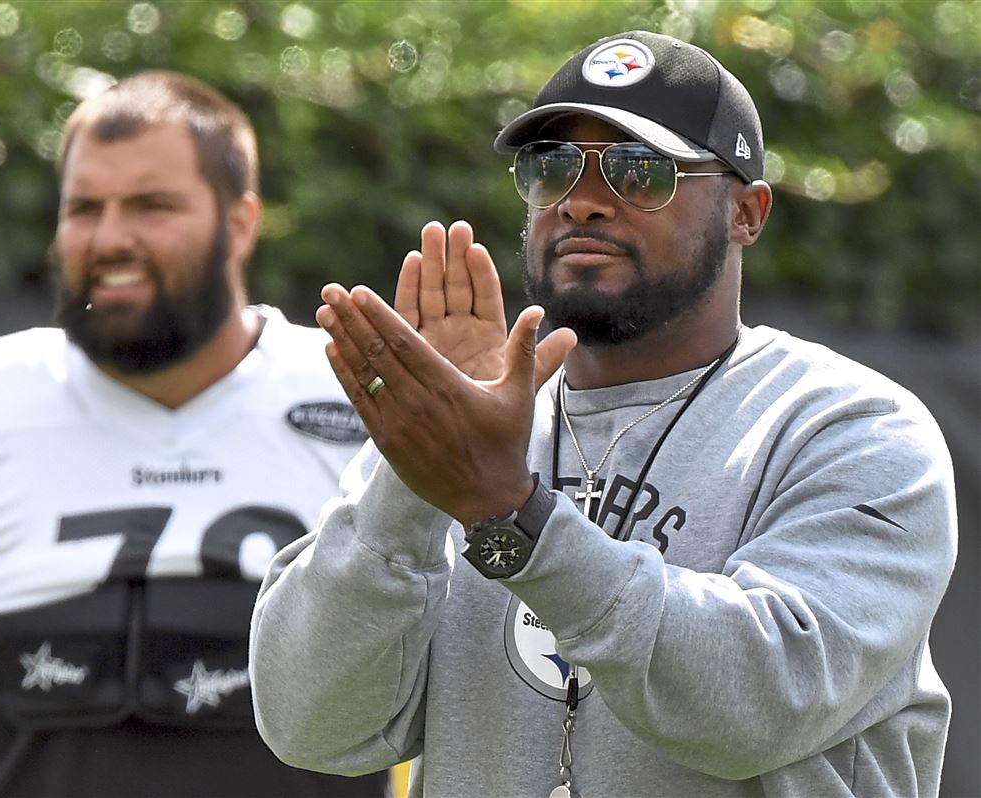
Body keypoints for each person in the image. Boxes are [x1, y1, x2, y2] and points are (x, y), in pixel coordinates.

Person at [249, 30, 958, 797]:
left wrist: (511, 514)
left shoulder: (852, 430)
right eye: (552, 166)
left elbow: (760, 702)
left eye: (639, 170)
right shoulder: (469, 432)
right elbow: (309, 724)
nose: (582, 200)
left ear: (747, 212)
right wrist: (412, 480)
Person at [0, 71, 390, 798]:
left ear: (240, 223)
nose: (110, 239)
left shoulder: (372, 400)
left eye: (151, 206)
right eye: (83, 208)